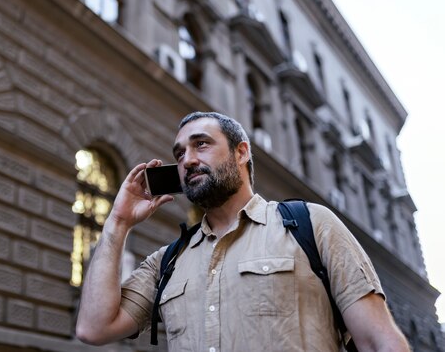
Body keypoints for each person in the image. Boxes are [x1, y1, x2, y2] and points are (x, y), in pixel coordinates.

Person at [76, 111, 410, 351]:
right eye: (179, 154)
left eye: (201, 144)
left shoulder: (310, 224)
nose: (187, 160)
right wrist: (117, 224)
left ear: (241, 152)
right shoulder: (167, 262)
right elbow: (94, 328)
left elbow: (378, 341)